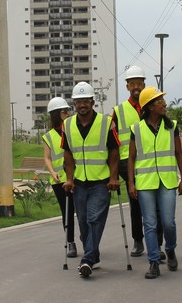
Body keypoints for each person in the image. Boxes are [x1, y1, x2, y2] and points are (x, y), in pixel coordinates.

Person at [127, 86, 182, 279]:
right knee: (150, 224)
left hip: (168, 181)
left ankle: (170, 249)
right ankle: (153, 261)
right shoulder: (136, 129)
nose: (164, 104)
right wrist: (131, 183)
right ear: (150, 106)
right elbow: (131, 158)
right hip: (145, 183)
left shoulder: (172, 126)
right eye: (160, 101)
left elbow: (178, 153)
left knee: (168, 222)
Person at [62, 81, 120, 278]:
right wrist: (69, 179)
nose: (82, 105)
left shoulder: (106, 122)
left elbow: (114, 151)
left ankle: (87, 259)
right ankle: (92, 253)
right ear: (74, 103)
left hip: (100, 182)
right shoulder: (67, 125)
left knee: (95, 219)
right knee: (84, 224)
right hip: (79, 183)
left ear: (93, 101)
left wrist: (113, 176)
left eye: (85, 101)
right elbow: (68, 154)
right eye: (78, 102)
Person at [111, 65, 161, 258]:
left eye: (139, 83)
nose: (136, 87)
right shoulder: (119, 110)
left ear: (144, 84)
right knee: (136, 202)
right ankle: (138, 241)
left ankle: (157, 243)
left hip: (149, 160)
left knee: (155, 202)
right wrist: (114, 173)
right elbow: (113, 142)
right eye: (132, 84)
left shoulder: (152, 106)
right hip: (127, 162)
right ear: (127, 87)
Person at [42, 97, 77, 258]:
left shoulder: (72, 129)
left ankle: (86, 237)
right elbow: (47, 158)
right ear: (56, 114)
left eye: (68, 111)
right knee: (67, 211)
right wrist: (52, 172)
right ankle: (70, 242)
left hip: (76, 177)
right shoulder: (48, 136)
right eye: (64, 111)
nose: (68, 113)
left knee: (81, 210)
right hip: (58, 180)